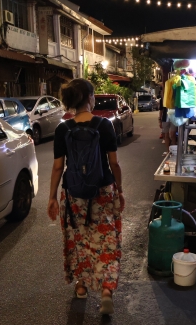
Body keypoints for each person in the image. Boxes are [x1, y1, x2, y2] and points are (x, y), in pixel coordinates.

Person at [47, 78, 125, 315]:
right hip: (102, 192)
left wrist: (52, 197)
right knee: (106, 239)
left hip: (73, 195)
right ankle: (106, 292)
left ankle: (81, 286)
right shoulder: (104, 126)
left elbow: (58, 167)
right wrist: (119, 191)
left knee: (78, 239)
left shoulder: (63, 129)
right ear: (89, 98)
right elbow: (114, 163)